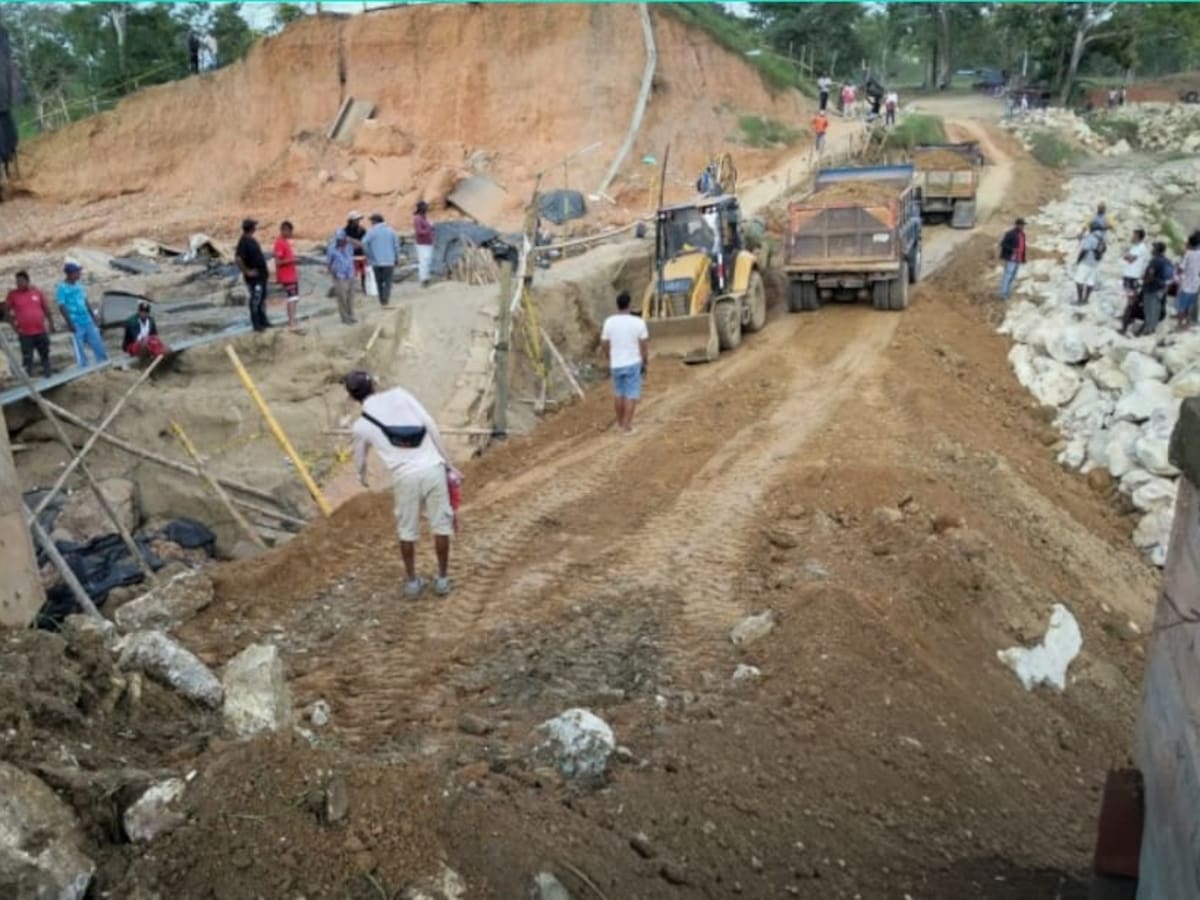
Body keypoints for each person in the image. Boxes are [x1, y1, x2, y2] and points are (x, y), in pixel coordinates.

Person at [344, 370, 459, 599]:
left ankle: (412, 582)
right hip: (432, 468)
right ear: (374, 385)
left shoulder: (361, 426)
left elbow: (359, 459)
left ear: (352, 397)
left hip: (404, 477)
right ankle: (443, 579)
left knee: (407, 531)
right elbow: (430, 425)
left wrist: (362, 477)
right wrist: (448, 463)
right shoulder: (400, 394)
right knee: (441, 526)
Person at [600, 291, 649, 434]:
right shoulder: (638, 322)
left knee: (619, 393)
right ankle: (627, 427)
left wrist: (608, 355)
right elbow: (644, 345)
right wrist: (644, 361)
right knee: (631, 394)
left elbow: (604, 342)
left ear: (617, 305)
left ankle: (620, 423)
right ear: (629, 305)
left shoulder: (609, 322)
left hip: (616, 364)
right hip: (633, 363)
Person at [3, 270, 55, 378]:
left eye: (21, 281)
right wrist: (14, 326)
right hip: (25, 333)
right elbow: (5, 310)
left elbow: (46, 308)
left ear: (27, 281)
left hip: (40, 330)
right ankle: (29, 379)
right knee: (27, 358)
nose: (19, 284)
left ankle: (48, 375)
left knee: (45, 354)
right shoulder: (13, 295)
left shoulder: (37, 292)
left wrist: (51, 323)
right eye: (17, 281)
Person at [55, 263, 108, 368]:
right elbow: (62, 306)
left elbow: (85, 301)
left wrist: (93, 317)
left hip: (86, 319)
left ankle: (103, 362)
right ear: (69, 274)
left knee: (96, 341)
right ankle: (83, 366)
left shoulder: (79, 286)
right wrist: (70, 322)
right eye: (77, 272)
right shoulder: (62, 288)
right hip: (75, 320)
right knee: (79, 346)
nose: (79, 274)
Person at [235, 218, 271, 332]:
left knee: (262, 299)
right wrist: (247, 271)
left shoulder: (251, 240)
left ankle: (263, 320)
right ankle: (256, 324)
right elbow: (238, 259)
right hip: (254, 278)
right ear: (251, 228)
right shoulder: (244, 242)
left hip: (261, 275)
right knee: (256, 299)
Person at [1130, 242, 1173, 335]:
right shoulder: (1167, 261)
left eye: (1153, 248)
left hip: (1151, 289)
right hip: (1161, 289)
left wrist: (1143, 283)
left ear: (1157, 250)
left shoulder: (1155, 260)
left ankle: (1148, 330)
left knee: (1149, 310)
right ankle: (1152, 328)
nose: (1152, 249)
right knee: (1156, 309)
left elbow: (1150, 274)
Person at [363, 212, 401, 307]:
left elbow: (364, 243)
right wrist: (397, 257)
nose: (371, 223)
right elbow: (396, 246)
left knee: (378, 282)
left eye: (371, 221)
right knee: (388, 282)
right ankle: (386, 300)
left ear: (375, 221)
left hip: (376, 261)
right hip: (389, 261)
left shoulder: (371, 231)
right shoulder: (391, 231)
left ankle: (381, 301)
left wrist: (369, 254)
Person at [273, 220, 301, 331]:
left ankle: (293, 320)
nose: (291, 234)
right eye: (289, 231)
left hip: (291, 275)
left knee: (294, 298)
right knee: (292, 298)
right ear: (284, 230)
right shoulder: (279, 243)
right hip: (286, 276)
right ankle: (291, 322)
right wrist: (292, 260)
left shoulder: (285, 242)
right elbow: (278, 262)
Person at [327, 229, 357, 324]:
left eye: (341, 239)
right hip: (339, 275)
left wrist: (351, 240)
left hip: (350, 274)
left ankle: (351, 315)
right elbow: (329, 263)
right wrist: (333, 273)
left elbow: (362, 245)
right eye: (338, 240)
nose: (340, 242)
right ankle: (345, 317)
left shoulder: (349, 246)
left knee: (350, 297)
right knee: (342, 297)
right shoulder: (332, 249)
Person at [1074, 226, 1106, 305]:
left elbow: (1084, 250)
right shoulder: (1102, 237)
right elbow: (1104, 249)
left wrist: (1078, 261)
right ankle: (1086, 299)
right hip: (1095, 263)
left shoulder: (1091, 237)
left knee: (1079, 281)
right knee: (1090, 282)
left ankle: (1080, 299)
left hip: (1086, 262)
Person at [1176, 232, 1200, 330]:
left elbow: (1181, 269)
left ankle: (1180, 324)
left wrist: (1177, 267)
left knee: (1181, 306)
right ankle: (1188, 323)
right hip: (1196, 283)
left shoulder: (1188, 254)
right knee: (1190, 305)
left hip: (1186, 283)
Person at [998, 218, 1027, 299]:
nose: (1023, 226)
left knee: (1013, 276)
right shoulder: (1011, 233)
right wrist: (1012, 249)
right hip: (1011, 258)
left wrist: (1023, 258)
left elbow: (1023, 247)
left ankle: (1008, 292)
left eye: (1023, 225)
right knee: (1007, 275)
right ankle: (1002, 294)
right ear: (1017, 225)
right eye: (1021, 225)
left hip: (1018, 258)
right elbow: (1003, 244)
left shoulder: (1022, 235)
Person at [1121, 228, 1149, 306]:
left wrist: (1127, 255)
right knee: (1128, 295)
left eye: (1134, 235)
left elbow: (1130, 259)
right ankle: (1127, 313)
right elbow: (1126, 257)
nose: (1132, 237)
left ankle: (1129, 315)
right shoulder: (1135, 246)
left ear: (1137, 236)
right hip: (1129, 273)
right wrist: (1127, 255)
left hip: (1134, 275)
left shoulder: (1141, 247)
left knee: (1132, 296)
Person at [413, 200, 435, 288]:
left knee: (428, 261)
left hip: (428, 242)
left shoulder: (424, 217)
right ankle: (423, 279)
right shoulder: (417, 218)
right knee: (424, 261)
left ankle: (426, 277)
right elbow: (419, 231)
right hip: (422, 243)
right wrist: (429, 229)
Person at [344, 211, 368, 292]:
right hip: (350, 256)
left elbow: (365, 242)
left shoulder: (362, 230)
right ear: (351, 220)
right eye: (356, 219)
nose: (358, 221)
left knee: (363, 273)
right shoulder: (345, 231)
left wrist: (353, 241)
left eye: (358, 219)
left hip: (361, 255)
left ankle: (364, 287)